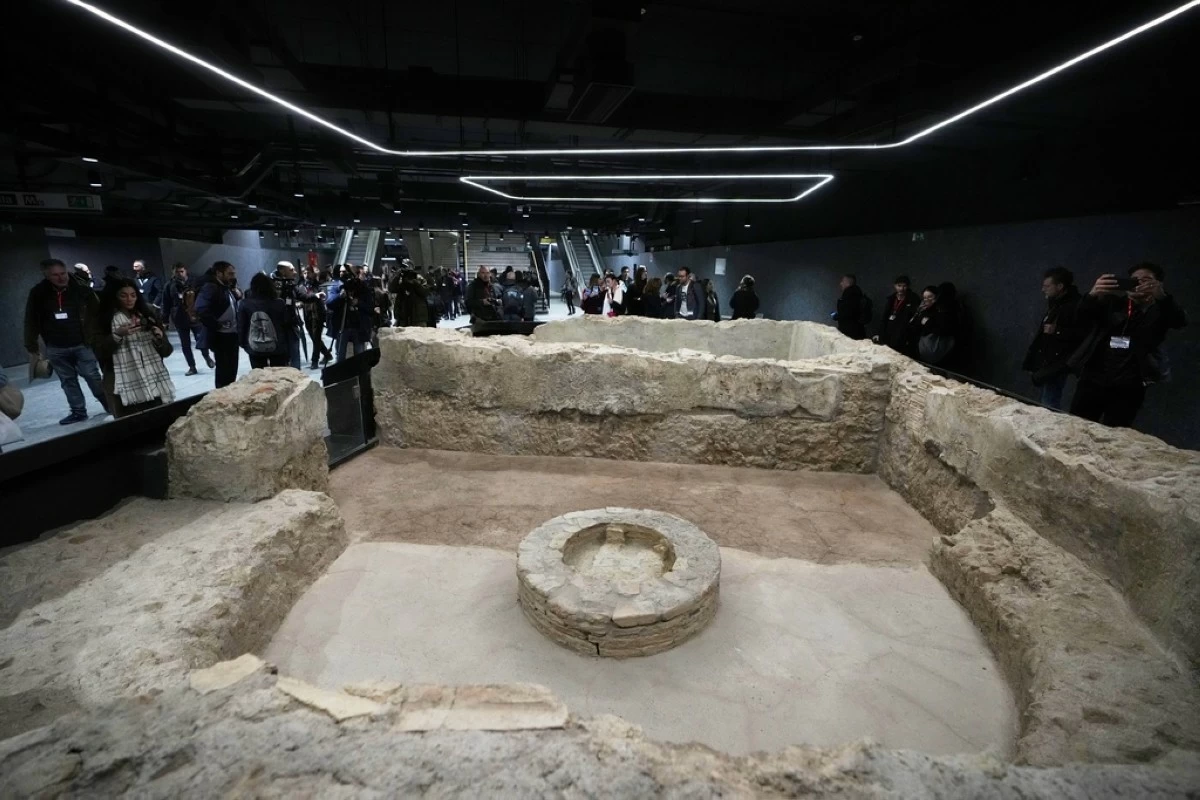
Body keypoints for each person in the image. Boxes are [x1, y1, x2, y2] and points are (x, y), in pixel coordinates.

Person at [1068, 263, 1187, 428]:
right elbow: (1080, 317)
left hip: (1129, 386)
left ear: (1158, 284)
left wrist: (1163, 297)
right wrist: (1092, 294)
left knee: (1116, 434)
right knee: (1077, 425)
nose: (1138, 283)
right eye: (1134, 280)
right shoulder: (1111, 303)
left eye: (1146, 280)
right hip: (1093, 380)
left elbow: (1180, 321)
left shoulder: (1160, 310)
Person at [23, 258, 109, 424]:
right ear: (47, 275)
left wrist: (99, 336)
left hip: (82, 343)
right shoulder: (38, 293)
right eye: (55, 275)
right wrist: (31, 344)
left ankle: (110, 405)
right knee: (67, 381)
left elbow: (98, 313)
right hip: (56, 346)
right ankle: (78, 411)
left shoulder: (82, 290)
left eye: (63, 273)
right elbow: (31, 319)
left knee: (92, 376)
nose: (61, 278)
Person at [98, 279, 175, 416]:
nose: (129, 299)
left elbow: (166, 351)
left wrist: (159, 338)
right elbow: (100, 352)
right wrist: (117, 335)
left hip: (154, 379)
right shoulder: (105, 319)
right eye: (124, 295)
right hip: (122, 385)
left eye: (133, 295)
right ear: (115, 297)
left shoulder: (147, 314)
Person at [1021, 267, 1087, 409]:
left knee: (1050, 400)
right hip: (1047, 360)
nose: (1043, 290)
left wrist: (1057, 331)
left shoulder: (1077, 305)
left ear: (1060, 286)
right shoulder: (1055, 303)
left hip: (1058, 362)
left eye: (1047, 286)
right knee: (1046, 398)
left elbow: (1083, 335)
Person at [194, 261, 241, 388]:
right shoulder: (211, 287)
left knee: (231, 369)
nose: (233, 277)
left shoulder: (226, 287)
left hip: (232, 334)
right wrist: (216, 325)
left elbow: (236, 299)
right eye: (230, 274)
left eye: (233, 274)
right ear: (219, 273)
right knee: (224, 371)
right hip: (221, 337)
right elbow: (200, 309)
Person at [162, 262, 211, 375]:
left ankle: (207, 357)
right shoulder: (169, 285)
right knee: (185, 344)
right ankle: (192, 366)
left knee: (201, 339)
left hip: (195, 317)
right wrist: (164, 320)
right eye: (177, 272)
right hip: (179, 318)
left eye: (181, 271)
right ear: (173, 272)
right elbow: (166, 303)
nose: (179, 274)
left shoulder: (194, 282)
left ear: (186, 271)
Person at [238, 273, 292, 369]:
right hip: (277, 346)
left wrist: (243, 344)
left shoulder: (244, 304)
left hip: (254, 346)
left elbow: (242, 326)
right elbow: (286, 325)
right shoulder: (279, 303)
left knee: (259, 376)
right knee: (279, 376)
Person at [300, 265, 334, 369]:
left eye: (308, 272)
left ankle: (315, 360)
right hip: (307, 313)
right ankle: (327, 354)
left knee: (316, 337)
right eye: (305, 273)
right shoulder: (303, 285)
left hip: (317, 314)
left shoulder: (319, 285)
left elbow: (321, 297)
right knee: (313, 337)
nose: (306, 275)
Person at [873, 275, 918, 352]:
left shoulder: (913, 299)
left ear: (908, 286)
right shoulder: (891, 298)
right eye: (899, 285)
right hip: (888, 333)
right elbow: (884, 318)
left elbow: (913, 319)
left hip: (902, 335)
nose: (901, 288)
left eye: (904, 286)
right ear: (895, 286)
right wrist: (880, 333)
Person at [833, 274, 871, 340]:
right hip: (858, 330)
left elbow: (847, 313)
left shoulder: (849, 295)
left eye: (842, 281)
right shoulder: (857, 294)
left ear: (847, 283)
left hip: (850, 333)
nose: (840, 283)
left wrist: (836, 316)